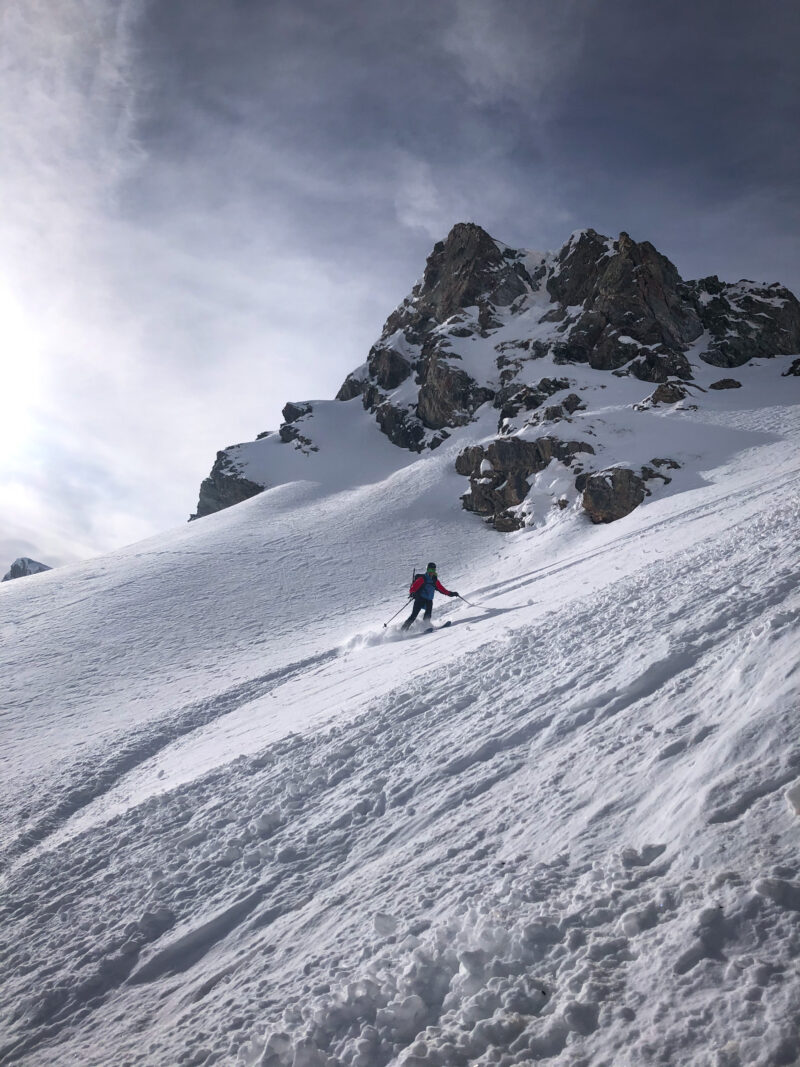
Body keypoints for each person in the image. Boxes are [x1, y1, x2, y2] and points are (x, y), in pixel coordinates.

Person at [401, 562, 458, 630]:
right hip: (420, 599)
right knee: (413, 616)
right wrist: (412, 592)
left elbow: (442, 590)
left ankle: (426, 626)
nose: (431, 572)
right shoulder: (422, 579)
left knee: (428, 615)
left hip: (429, 600)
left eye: (433, 570)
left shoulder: (435, 581)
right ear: (427, 570)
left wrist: (451, 594)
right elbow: (414, 587)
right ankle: (403, 630)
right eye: (430, 570)